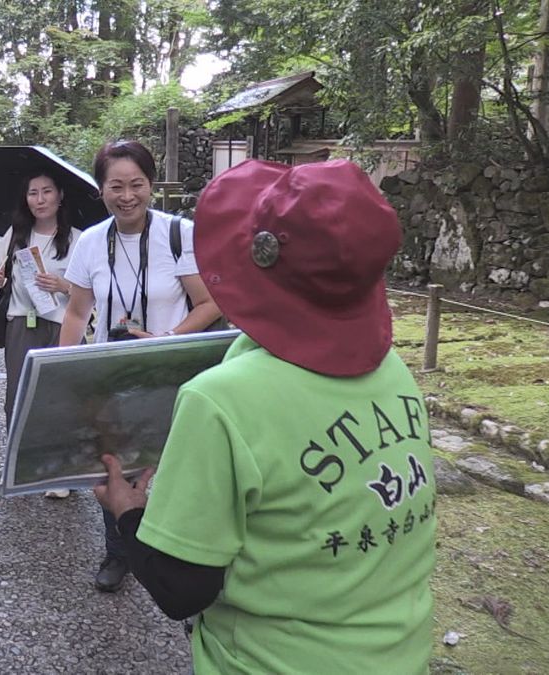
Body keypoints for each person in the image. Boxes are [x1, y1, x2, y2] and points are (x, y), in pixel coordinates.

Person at [94, 159, 436, 673]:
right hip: (402, 654)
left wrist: (127, 514)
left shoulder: (221, 399)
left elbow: (182, 589)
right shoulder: (393, 370)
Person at [59, 140, 221, 593]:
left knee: (174, 466)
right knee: (113, 463)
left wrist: (168, 340)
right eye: (116, 186)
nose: (126, 195)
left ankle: (180, 555)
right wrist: (65, 373)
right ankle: (119, 553)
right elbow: (75, 313)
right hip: (111, 374)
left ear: (151, 185)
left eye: (136, 184)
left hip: (170, 374)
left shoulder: (177, 234)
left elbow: (209, 303)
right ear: (101, 189)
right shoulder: (90, 242)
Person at [0, 170, 84, 425]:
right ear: (26, 199)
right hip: (22, 326)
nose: (40, 199)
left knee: (62, 398)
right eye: (33, 193)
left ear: (60, 195)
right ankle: (19, 461)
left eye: (47, 191)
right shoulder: (15, 235)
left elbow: (91, 294)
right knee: (19, 399)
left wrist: (64, 286)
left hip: (63, 326)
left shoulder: (78, 239)